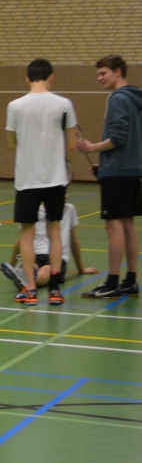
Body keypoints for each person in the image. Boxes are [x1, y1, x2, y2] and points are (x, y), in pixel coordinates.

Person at [5, 58, 78, 305]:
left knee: (26, 234)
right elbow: (71, 144)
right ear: (51, 77)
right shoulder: (64, 104)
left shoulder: (14, 106)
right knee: (54, 231)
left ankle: (31, 289)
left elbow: (11, 143)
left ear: (27, 78)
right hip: (56, 178)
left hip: (27, 179)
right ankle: (55, 290)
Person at [76, 54, 142, 298]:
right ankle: (130, 281)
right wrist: (104, 164)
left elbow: (118, 137)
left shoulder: (118, 98)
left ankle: (112, 283)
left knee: (114, 226)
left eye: (103, 73)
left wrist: (92, 148)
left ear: (118, 72)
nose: (100, 78)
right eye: (98, 74)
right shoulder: (136, 97)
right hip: (132, 169)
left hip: (118, 172)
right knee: (128, 225)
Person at [5, 193, 96, 289]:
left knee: (46, 272)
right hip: (35, 253)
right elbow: (22, 240)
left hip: (57, 256)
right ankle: (23, 276)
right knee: (32, 267)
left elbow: (73, 241)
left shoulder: (69, 209)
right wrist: (10, 264)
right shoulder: (35, 210)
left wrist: (81, 269)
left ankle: (25, 279)